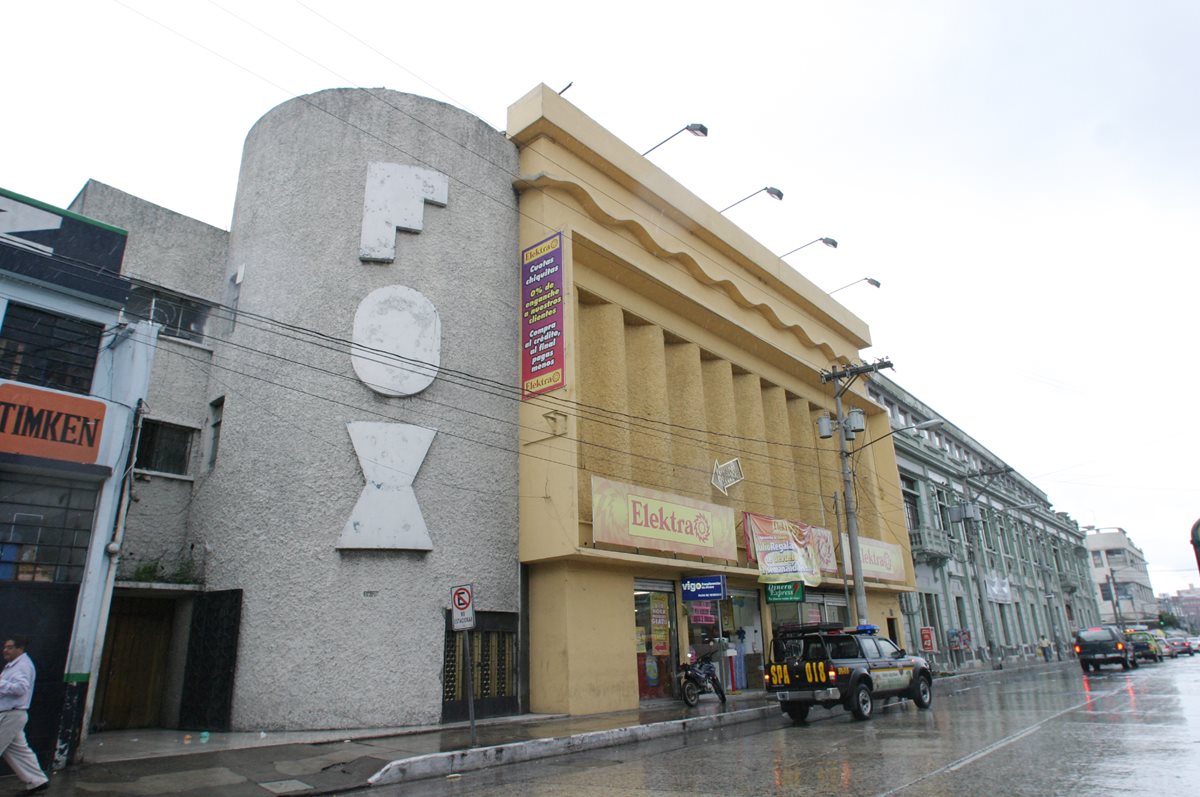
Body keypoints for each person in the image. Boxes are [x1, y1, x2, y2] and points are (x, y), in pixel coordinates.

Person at [0, 637, 50, 793]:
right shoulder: (13, 666)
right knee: (18, 751)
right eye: (5, 647)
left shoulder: (23, 666)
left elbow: (21, 688)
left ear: (20, 649)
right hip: (12, 714)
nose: (5, 650)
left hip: (11, 715)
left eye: (9, 647)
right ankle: (38, 781)